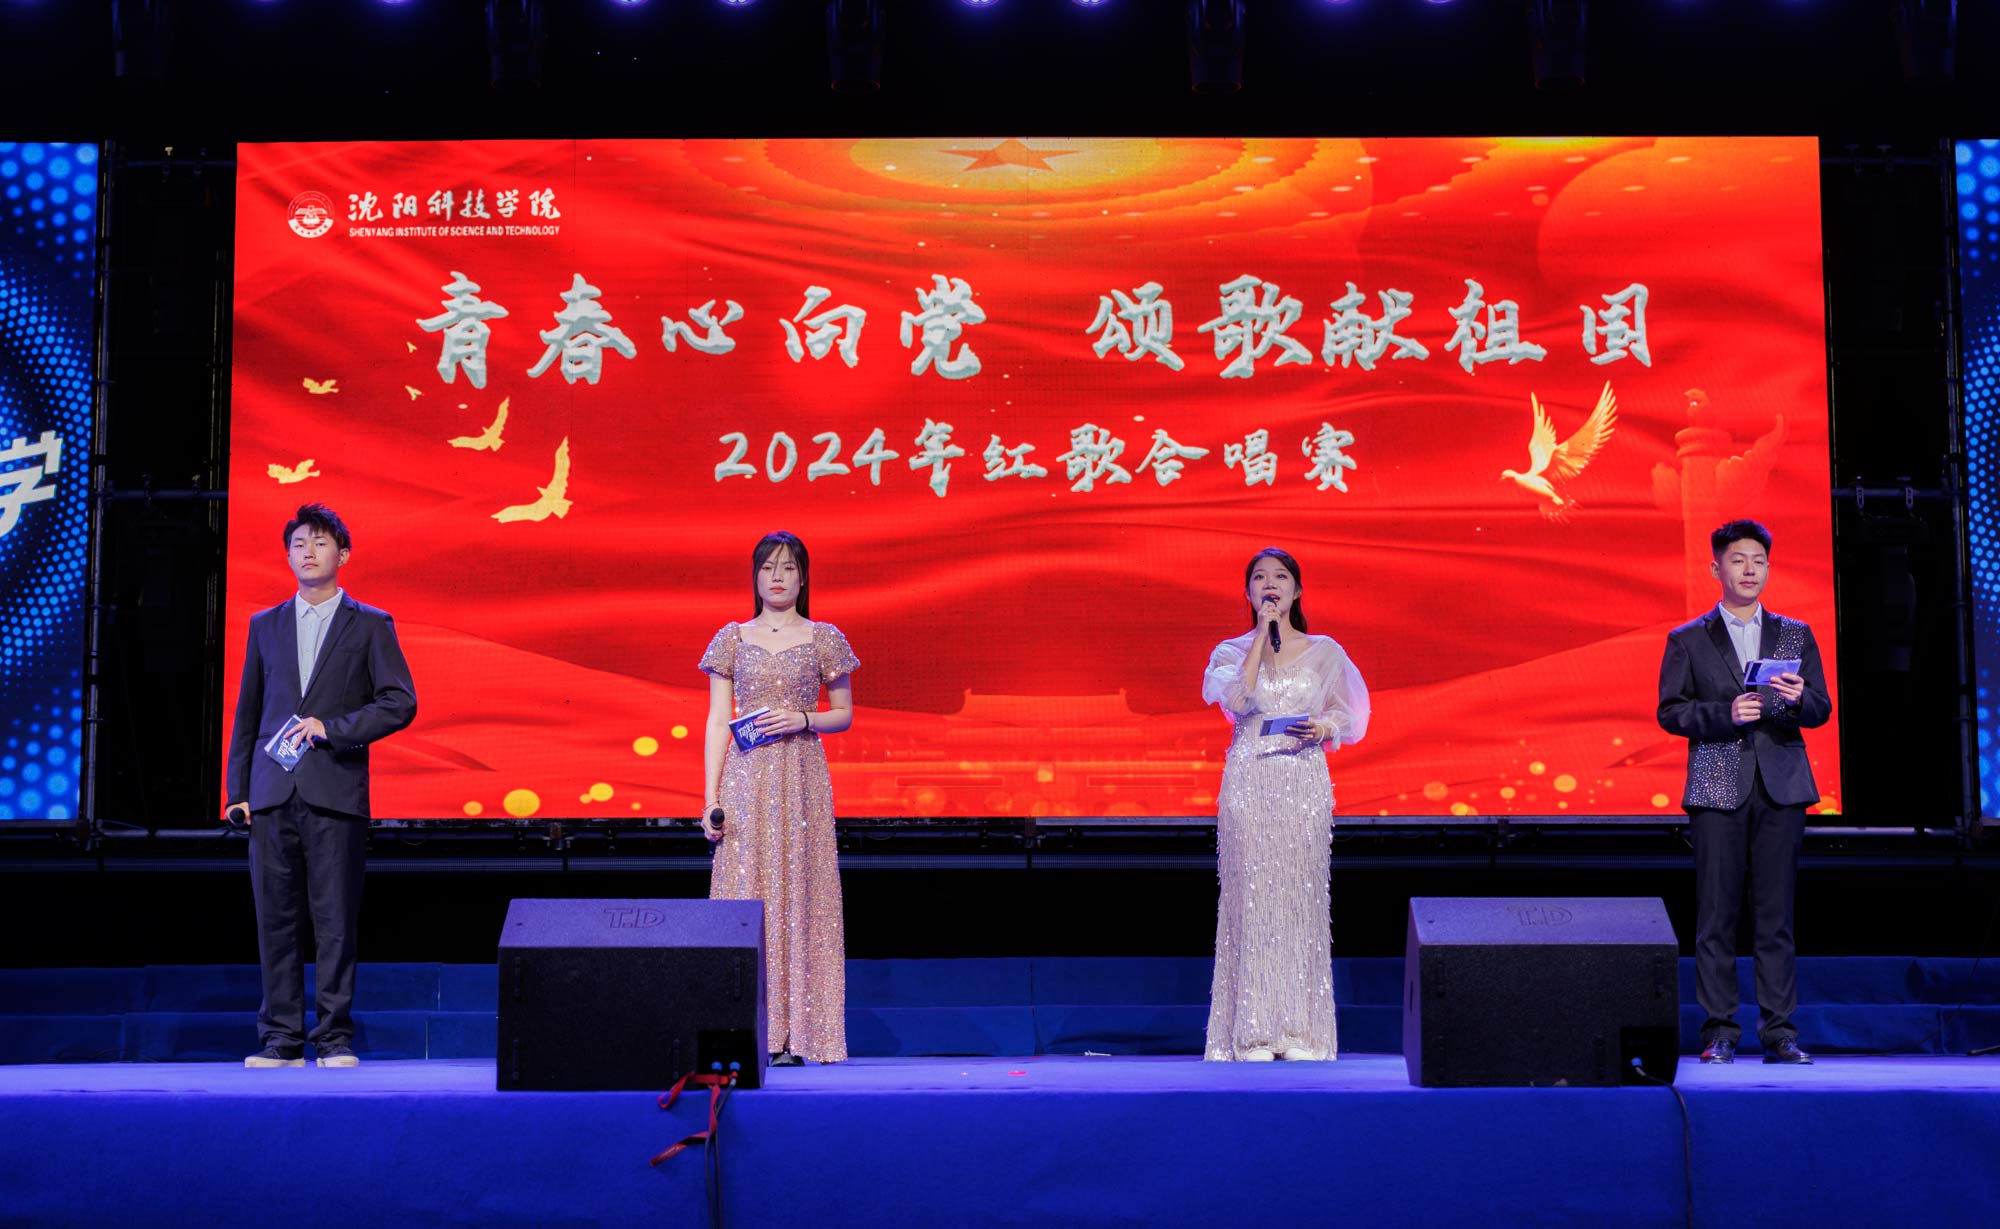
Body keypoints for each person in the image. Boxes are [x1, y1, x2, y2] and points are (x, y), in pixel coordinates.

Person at [223, 503, 417, 1069]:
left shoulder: (370, 623)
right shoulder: (265, 625)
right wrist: (238, 790)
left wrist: (333, 728)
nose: (307, 552)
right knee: (275, 920)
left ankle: (333, 1037)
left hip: (335, 791)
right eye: (298, 544)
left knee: (334, 921)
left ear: (343, 554)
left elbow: (399, 702)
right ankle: (281, 1039)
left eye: (320, 543)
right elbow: (249, 713)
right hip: (271, 793)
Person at [1657, 519, 1831, 1066]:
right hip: (1717, 785)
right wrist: (1724, 713)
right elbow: (1670, 711)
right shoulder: (1688, 638)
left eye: (1758, 560)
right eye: (1738, 560)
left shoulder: (1795, 634)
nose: (1749, 569)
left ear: (1768, 568)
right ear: (1716, 568)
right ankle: (1720, 1031)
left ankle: (1780, 1033)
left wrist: (1799, 699)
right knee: (1716, 915)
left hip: (1782, 787)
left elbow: (1821, 708)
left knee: (1776, 917)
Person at [1200, 547, 1370, 1062]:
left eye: (1280, 577)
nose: (1270, 584)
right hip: (1250, 781)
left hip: (1302, 781)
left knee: (1298, 899)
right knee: (1251, 900)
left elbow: (1349, 716)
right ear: (1249, 592)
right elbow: (1238, 701)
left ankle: (1299, 1032)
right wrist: (1260, 635)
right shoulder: (1231, 651)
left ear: (1297, 590)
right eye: (1259, 578)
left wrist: (1323, 727)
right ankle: (1252, 1032)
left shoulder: (1324, 651)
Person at [698, 531, 858, 1065]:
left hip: (801, 775)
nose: (778, 577)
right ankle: (746, 1029)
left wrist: (804, 718)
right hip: (746, 781)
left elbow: (844, 714)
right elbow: (717, 721)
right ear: (755, 576)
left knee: (802, 892)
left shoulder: (823, 637)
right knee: (746, 891)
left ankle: (803, 1034)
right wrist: (710, 797)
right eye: (768, 568)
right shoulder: (732, 638)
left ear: (803, 577)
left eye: (788, 568)